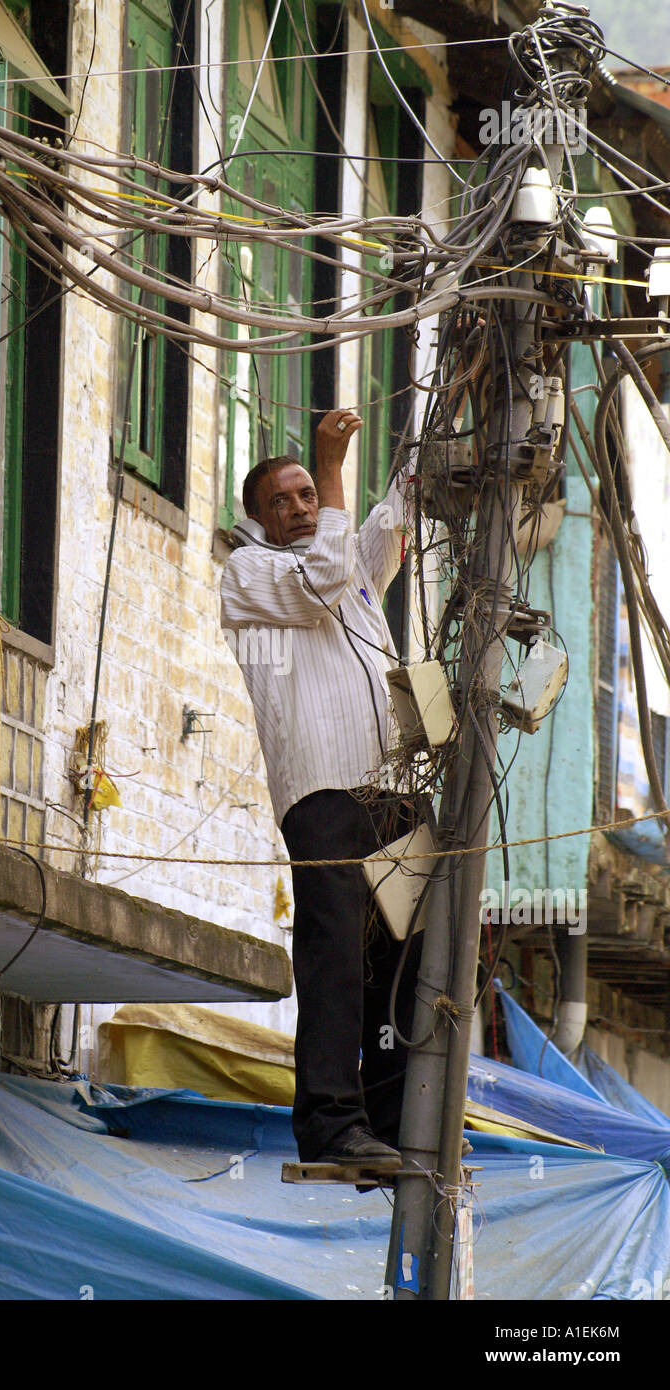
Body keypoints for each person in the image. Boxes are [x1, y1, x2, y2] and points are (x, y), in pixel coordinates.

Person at [220, 407, 423, 1165]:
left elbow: (397, 512)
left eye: (310, 494)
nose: (304, 508)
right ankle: (332, 1126)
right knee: (335, 953)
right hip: (324, 792)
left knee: (412, 956)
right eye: (286, 501)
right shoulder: (251, 574)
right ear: (259, 519)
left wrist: (453, 390)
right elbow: (327, 576)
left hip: (395, 789)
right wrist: (336, 465)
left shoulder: (350, 562)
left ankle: (398, 1125)